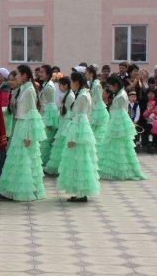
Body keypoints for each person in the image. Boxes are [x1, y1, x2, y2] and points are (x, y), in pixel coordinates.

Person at [0, 65, 46, 202]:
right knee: (17, 159)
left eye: (17, 75)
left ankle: (25, 190)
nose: (15, 77)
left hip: (25, 127)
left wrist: (29, 135)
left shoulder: (29, 91)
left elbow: (32, 113)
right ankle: (12, 190)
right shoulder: (23, 89)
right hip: (19, 125)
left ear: (25, 76)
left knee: (23, 159)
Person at [57, 71, 100, 202]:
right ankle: (80, 191)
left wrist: (73, 138)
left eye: (71, 82)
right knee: (80, 161)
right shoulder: (84, 94)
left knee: (79, 161)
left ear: (76, 82)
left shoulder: (82, 96)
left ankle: (81, 193)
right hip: (81, 130)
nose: (71, 85)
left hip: (79, 131)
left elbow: (80, 118)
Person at [99, 76, 147, 180]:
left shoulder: (121, 95)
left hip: (117, 124)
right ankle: (116, 169)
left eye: (110, 86)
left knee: (118, 146)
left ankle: (119, 170)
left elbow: (119, 113)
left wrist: (113, 126)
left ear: (115, 85)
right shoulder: (120, 94)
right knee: (116, 147)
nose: (109, 89)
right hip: (116, 122)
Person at [44, 77, 74, 176]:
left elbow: (70, 112)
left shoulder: (70, 96)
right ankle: (56, 167)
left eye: (60, 85)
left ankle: (58, 168)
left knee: (61, 145)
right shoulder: (66, 94)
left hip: (66, 123)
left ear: (65, 85)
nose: (59, 87)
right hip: (63, 122)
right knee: (59, 145)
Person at [38, 65, 59, 166]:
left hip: (47, 118)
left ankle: (44, 162)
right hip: (43, 115)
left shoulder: (49, 87)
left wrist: (50, 122)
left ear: (48, 74)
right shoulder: (45, 85)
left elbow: (51, 105)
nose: (40, 74)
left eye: (42, 72)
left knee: (45, 141)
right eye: (40, 72)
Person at [86, 66, 109, 154]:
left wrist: (95, 113)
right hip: (95, 109)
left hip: (97, 111)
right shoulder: (93, 83)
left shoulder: (96, 85)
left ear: (91, 74)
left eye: (86, 73)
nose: (85, 75)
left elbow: (97, 100)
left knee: (98, 134)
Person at [141, 90, 157, 154]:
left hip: (156, 120)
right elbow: (142, 114)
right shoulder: (143, 102)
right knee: (149, 126)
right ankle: (149, 144)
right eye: (149, 93)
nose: (150, 95)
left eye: (152, 94)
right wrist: (148, 118)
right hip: (146, 120)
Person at [0, 68, 13, 137]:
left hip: (4, 112)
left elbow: (4, 101)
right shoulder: (1, 85)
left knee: (5, 131)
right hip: (3, 111)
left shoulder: (5, 86)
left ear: (2, 76)